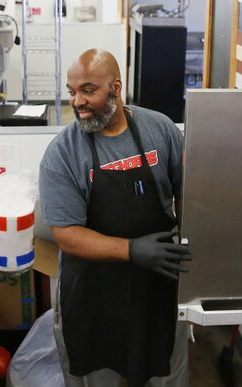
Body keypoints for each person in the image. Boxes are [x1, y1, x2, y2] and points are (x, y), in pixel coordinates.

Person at [39, 48, 192, 387]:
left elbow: (186, 193)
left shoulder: (160, 129)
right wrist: (133, 249)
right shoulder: (63, 153)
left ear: (116, 87)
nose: (77, 101)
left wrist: (188, 237)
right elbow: (66, 234)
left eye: (88, 90)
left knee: (166, 372)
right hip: (94, 296)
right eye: (72, 91)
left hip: (159, 286)